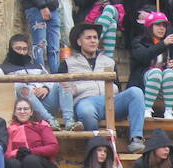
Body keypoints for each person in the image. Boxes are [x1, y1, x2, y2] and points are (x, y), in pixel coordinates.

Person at [62, 22, 147, 154]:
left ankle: (136, 139)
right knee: (86, 111)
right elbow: (61, 88)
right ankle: (97, 145)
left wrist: (112, 89)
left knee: (136, 92)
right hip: (85, 101)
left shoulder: (109, 61)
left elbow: (117, 86)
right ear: (79, 42)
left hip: (110, 101)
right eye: (88, 38)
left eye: (95, 38)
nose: (93, 41)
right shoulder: (68, 63)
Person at [0, 33, 66, 127]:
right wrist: (29, 91)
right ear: (11, 49)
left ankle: (69, 121)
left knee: (61, 82)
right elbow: (3, 89)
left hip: (46, 102)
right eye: (18, 49)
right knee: (22, 88)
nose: (21, 52)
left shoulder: (38, 66)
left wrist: (45, 88)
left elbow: (50, 80)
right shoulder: (1, 69)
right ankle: (49, 120)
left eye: (24, 49)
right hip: (23, 108)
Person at [4, 98, 61, 168]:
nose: (22, 112)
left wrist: (31, 151)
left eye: (26, 109)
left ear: (31, 112)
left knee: (29, 159)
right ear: (15, 112)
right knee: (11, 163)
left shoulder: (41, 125)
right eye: (19, 109)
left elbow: (53, 147)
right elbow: (7, 153)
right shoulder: (11, 129)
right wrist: (17, 153)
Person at [131, 11, 173, 119]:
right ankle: (146, 109)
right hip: (143, 84)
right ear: (149, 26)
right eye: (157, 25)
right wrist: (163, 44)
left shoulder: (168, 44)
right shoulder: (139, 41)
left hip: (162, 86)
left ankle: (168, 111)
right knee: (156, 72)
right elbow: (144, 56)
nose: (162, 28)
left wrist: (171, 65)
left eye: (164, 25)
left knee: (169, 73)